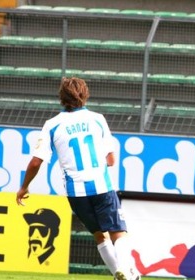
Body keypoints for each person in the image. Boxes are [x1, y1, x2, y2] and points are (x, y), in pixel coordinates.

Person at [16, 77, 140, 280]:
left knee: (100, 236)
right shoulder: (98, 119)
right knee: (119, 232)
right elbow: (111, 159)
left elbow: (36, 162)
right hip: (101, 186)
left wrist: (24, 187)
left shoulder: (52, 125)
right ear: (85, 94)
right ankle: (126, 271)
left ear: (61, 98)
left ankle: (119, 273)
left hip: (76, 193)